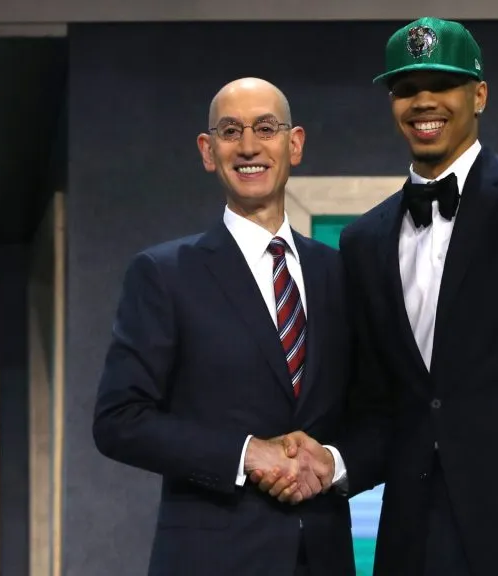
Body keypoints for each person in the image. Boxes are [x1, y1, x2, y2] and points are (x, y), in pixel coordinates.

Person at [253, 16, 498, 576]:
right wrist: (330, 462)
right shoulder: (364, 239)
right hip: (412, 542)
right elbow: (383, 408)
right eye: (405, 88)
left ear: (479, 95)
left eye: (442, 85)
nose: (424, 102)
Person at [92, 77, 356, 576]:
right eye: (231, 131)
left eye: (265, 128)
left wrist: (331, 463)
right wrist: (247, 455)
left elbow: (379, 415)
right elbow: (118, 420)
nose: (250, 146)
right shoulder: (165, 274)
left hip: (323, 559)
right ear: (208, 151)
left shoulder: (339, 274)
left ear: (294, 143)